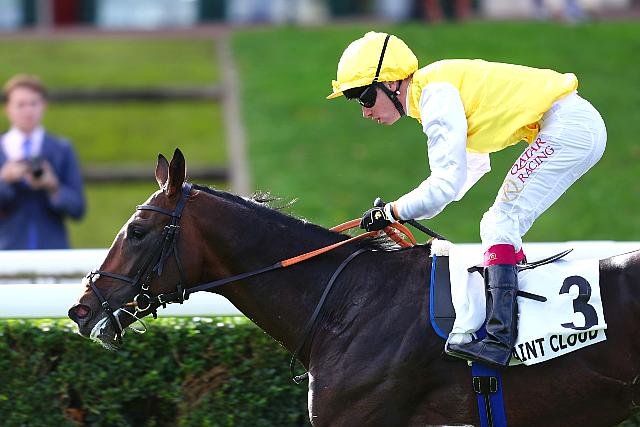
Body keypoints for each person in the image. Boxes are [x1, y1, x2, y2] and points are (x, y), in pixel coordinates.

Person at [326, 32, 606, 367]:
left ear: (391, 82)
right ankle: (509, 328)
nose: (365, 111)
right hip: (572, 125)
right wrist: (397, 211)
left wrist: (392, 211)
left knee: (500, 223)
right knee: (499, 224)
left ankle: (500, 341)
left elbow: (444, 186)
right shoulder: (436, 91)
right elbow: (462, 177)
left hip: (570, 128)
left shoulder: (436, 94)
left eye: (364, 97)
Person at [0, 74, 85, 250]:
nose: (28, 111)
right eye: (21, 105)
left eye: (33, 103)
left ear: (44, 105)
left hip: (52, 250)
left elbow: (78, 209)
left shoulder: (61, 149)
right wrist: (4, 180)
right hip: (7, 252)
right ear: (7, 108)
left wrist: (53, 187)